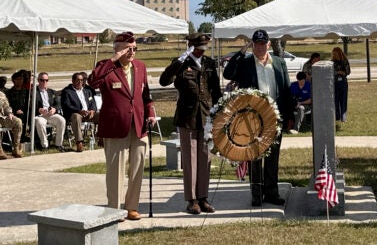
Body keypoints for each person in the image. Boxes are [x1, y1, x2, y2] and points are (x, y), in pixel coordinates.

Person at [88, 31, 156, 221]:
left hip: (139, 124)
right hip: (115, 125)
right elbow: (93, 82)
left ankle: (131, 207)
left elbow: (146, 95)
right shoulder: (106, 66)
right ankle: (114, 209)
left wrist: (150, 113)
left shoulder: (140, 67)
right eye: (128, 49)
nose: (132, 52)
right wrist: (113, 60)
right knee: (116, 170)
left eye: (134, 49)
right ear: (117, 49)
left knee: (137, 167)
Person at [223, 29, 293, 206]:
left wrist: (289, 114)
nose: (260, 47)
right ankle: (256, 193)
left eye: (263, 44)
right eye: (257, 44)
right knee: (255, 156)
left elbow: (285, 90)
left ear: (268, 44)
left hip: (274, 117)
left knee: (272, 156)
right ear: (252, 45)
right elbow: (228, 74)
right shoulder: (245, 62)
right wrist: (241, 53)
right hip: (252, 118)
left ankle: (272, 192)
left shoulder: (278, 62)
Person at [159, 33, 222, 214]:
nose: (202, 50)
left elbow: (215, 90)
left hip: (206, 116)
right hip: (187, 117)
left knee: (205, 158)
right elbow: (164, 81)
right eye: (198, 47)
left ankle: (203, 197)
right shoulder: (181, 63)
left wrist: (220, 111)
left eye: (204, 47)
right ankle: (192, 199)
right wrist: (179, 62)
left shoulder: (209, 63)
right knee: (190, 159)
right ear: (191, 46)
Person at [61, 72, 98, 152]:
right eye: (78, 80)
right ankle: (79, 143)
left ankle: (102, 139)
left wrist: (92, 110)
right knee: (76, 116)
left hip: (88, 114)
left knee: (102, 115)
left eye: (82, 80)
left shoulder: (87, 91)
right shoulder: (67, 92)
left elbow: (93, 102)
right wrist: (79, 111)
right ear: (73, 81)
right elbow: (67, 105)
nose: (80, 82)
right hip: (76, 114)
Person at [33, 72, 66, 152]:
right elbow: (30, 105)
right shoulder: (33, 92)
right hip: (40, 115)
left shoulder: (51, 92)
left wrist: (54, 109)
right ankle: (45, 145)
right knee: (40, 122)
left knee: (61, 120)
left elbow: (58, 103)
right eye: (42, 80)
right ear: (38, 80)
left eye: (46, 80)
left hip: (51, 114)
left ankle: (58, 144)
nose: (44, 82)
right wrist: (39, 109)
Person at [6, 71, 30, 142]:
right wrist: (16, 110)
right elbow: (8, 105)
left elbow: (29, 104)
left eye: (21, 79)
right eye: (17, 79)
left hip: (26, 112)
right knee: (21, 117)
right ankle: (20, 139)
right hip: (14, 113)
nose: (19, 81)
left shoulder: (27, 92)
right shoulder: (9, 92)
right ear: (13, 81)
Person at [0, 91, 23, 159]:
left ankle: (16, 148)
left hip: (2, 118)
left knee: (18, 121)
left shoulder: (1, 94)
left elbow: (6, 106)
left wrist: (9, 113)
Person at [331, 47, 351, 124]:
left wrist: (342, 72)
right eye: (333, 53)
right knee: (335, 100)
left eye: (335, 53)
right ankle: (337, 116)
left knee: (343, 100)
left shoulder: (344, 61)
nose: (334, 55)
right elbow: (331, 72)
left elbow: (348, 71)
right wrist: (338, 72)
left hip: (343, 83)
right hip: (334, 83)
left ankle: (343, 116)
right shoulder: (332, 62)